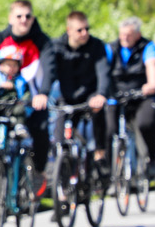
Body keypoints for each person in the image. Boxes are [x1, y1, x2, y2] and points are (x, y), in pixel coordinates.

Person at [32, 10, 112, 184]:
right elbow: (49, 72)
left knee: (99, 111)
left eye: (87, 29)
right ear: (69, 30)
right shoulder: (56, 47)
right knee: (59, 140)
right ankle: (62, 181)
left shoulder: (96, 46)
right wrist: (43, 93)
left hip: (90, 96)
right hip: (66, 97)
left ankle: (100, 154)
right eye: (79, 30)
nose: (84, 33)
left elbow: (103, 73)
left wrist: (101, 94)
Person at [0, 0, 50, 180]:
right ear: (11, 18)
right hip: (1, 102)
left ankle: (39, 173)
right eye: (19, 16)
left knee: (40, 131)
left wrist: (43, 93)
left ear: (32, 19)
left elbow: (50, 69)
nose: (23, 20)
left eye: (28, 16)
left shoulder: (42, 41)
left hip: (30, 99)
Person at [106, 16, 155, 167]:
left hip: (141, 96)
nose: (124, 38)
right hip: (116, 96)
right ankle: (108, 169)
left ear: (138, 34)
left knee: (146, 123)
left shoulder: (147, 46)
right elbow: (103, 69)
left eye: (128, 35)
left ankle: (152, 157)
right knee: (109, 130)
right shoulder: (112, 48)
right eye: (122, 34)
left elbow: (151, 64)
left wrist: (152, 84)